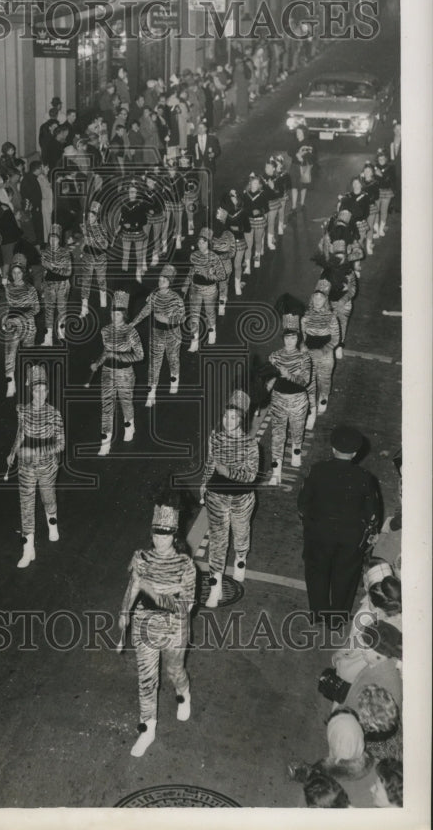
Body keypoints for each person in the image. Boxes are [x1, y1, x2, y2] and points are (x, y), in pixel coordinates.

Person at [117, 497, 196, 757]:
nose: (161, 540)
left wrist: (154, 592)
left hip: (174, 628)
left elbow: (184, 606)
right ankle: (147, 728)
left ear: (174, 535)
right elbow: (133, 586)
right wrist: (124, 612)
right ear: (152, 534)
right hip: (144, 626)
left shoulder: (186, 566)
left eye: (166, 535)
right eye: (157, 535)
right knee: (146, 679)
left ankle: (184, 692)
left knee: (175, 671)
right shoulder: (141, 557)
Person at [298, 424, 380, 628]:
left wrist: (311, 524)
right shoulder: (365, 478)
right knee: (345, 576)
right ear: (355, 453)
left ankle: (317, 613)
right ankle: (336, 620)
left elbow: (302, 505)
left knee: (316, 572)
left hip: (319, 533)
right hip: (350, 538)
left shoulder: (317, 470)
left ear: (333, 448)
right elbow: (373, 514)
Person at [199, 391, 259, 606]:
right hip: (216, 496)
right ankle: (215, 588)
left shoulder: (250, 444)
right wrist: (204, 483)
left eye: (233, 417)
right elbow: (210, 463)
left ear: (242, 420)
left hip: (242, 498)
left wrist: (229, 473)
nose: (227, 420)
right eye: (226, 416)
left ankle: (241, 559)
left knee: (241, 533)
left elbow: (251, 476)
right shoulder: (215, 437)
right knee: (217, 541)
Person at [6, 363, 65, 569]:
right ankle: (28, 550)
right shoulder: (24, 411)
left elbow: (61, 444)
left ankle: (52, 525)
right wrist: (13, 451)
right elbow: (21, 433)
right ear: (31, 390)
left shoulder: (54, 414)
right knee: (26, 505)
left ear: (47, 392)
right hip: (26, 466)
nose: (39, 393)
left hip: (48, 465)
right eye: (36, 390)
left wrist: (38, 451)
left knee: (48, 498)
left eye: (43, 390)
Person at [90, 291, 143, 456]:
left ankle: (129, 426)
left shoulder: (131, 332)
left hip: (125, 373)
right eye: (113, 312)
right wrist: (98, 363)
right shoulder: (105, 331)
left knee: (125, 403)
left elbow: (140, 355)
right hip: (107, 372)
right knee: (106, 406)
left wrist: (118, 356)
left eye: (118, 313)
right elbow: (106, 351)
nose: (115, 316)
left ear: (124, 315)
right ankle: (105, 442)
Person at [265, 315, 312, 485]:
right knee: (277, 435)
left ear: (298, 338)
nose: (290, 340)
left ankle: (296, 450)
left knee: (297, 430)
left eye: (293, 337)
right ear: (283, 338)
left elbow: (305, 381)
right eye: (287, 337)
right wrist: (266, 386)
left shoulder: (304, 358)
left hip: (298, 401)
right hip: (278, 400)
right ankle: (276, 471)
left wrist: (289, 375)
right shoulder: (274, 356)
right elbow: (269, 378)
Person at [130, 264, 185, 405]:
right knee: (154, 364)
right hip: (157, 333)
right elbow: (145, 311)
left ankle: (174, 379)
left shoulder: (176, 298)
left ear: (170, 283)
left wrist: (167, 319)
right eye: (160, 279)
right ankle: (151, 393)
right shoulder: (154, 296)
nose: (161, 282)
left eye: (164, 280)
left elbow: (182, 318)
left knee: (172, 359)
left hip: (173, 333)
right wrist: (132, 323)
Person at [301, 281, 341, 429]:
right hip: (309, 354)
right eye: (315, 297)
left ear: (326, 301)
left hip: (325, 355)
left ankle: (323, 398)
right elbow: (302, 335)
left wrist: (322, 351)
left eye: (321, 298)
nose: (318, 300)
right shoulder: (305, 316)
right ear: (312, 299)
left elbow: (336, 338)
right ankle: (311, 413)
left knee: (324, 380)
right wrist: (303, 347)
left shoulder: (331, 317)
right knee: (309, 384)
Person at [1, 253, 40, 398]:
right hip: (12, 324)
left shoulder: (30, 289)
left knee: (28, 353)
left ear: (23, 273)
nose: (16, 275)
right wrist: (5, 317)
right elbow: (9, 306)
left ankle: (31, 377)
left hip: (28, 324)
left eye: (19, 272)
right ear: (11, 273)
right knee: (9, 355)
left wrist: (21, 319)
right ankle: (11, 385)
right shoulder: (8, 288)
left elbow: (36, 309)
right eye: (14, 272)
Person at [182, 227, 226, 352]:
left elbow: (222, 275)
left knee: (210, 313)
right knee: (194, 316)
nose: (201, 245)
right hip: (195, 289)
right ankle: (194, 340)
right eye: (199, 242)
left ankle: (212, 333)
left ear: (209, 243)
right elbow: (191, 272)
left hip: (209, 291)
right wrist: (185, 287)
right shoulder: (194, 256)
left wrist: (210, 276)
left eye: (204, 242)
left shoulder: (214, 257)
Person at [40, 223, 72, 346]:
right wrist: (43, 286)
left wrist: (52, 268)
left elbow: (67, 272)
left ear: (59, 239)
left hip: (63, 285)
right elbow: (44, 271)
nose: (53, 241)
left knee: (62, 310)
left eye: (56, 238)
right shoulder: (45, 252)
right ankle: (48, 338)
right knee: (49, 310)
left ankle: (61, 332)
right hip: (49, 285)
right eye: (51, 238)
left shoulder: (65, 252)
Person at [79, 199, 109, 316]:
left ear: (97, 217)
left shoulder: (102, 228)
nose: (89, 219)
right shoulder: (85, 227)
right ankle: (84, 308)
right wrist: (83, 246)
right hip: (88, 257)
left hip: (100, 257)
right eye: (88, 217)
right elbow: (84, 242)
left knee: (101, 280)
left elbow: (105, 245)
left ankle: (103, 302)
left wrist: (91, 241)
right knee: (86, 282)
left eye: (92, 217)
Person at [118, 181, 149, 282]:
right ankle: (123, 274)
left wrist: (135, 224)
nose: (132, 194)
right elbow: (121, 219)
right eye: (130, 192)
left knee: (138, 255)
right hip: (126, 233)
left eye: (134, 192)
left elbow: (144, 220)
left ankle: (138, 273)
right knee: (125, 255)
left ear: (137, 193)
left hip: (137, 232)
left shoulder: (141, 205)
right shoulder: (124, 205)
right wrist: (123, 225)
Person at [289, 126, 316, 210]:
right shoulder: (293, 142)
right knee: (294, 186)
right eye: (297, 132)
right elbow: (289, 152)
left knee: (303, 185)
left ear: (304, 133)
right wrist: (296, 155)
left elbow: (311, 155)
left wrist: (303, 158)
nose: (298, 134)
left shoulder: (308, 143)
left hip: (304, 167)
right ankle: (293, 206)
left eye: (299, 132)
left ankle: (302, 203)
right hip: (294, 166)